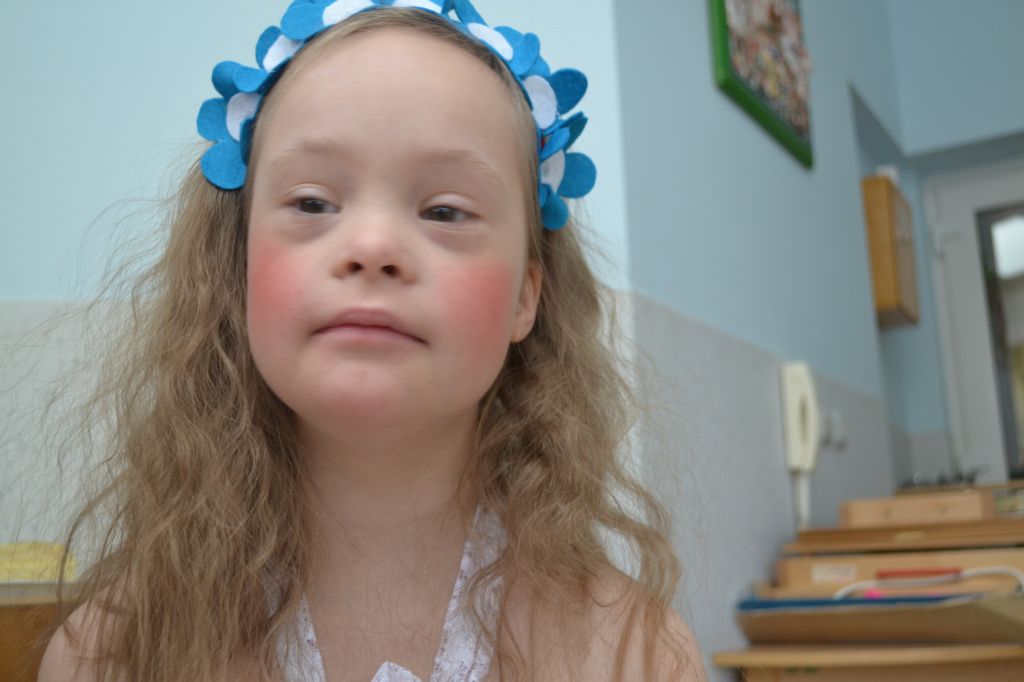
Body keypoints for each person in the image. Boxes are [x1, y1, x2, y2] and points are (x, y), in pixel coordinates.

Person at [37, 1, 705, 680]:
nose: (374, 245)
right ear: (236, 271)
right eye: (312, 203)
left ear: (525, 298)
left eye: (444, 211)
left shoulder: (638, 657)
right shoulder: (105, 657)